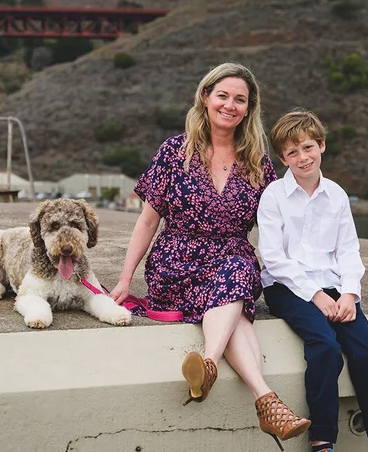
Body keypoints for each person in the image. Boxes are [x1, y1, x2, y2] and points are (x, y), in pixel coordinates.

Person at [109, 62, 311, 449]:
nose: (230, 105)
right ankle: (261, 397)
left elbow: (282, 225)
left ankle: (212, 365)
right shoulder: (175, 151)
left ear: (249, 109)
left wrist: (311, 280)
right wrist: (124, 279)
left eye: (240, 99)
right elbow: (148, 221)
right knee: (237, 311)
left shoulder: (258, 161)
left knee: (236, 273)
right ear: (205, 97)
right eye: (223, 96)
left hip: (232, 260)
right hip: (176, 264)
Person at [257, 109, 368, 452]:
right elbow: (273, 258)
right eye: (292, 152)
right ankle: (322, 439)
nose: (302, 157)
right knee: (326, 347)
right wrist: (315, 295)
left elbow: (348, 250)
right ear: (282, 159)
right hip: (286, 287)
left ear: (321, 145)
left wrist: (349, 293)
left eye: (307, 147)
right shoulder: (273, 196)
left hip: (334, 286)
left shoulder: (336, 195)